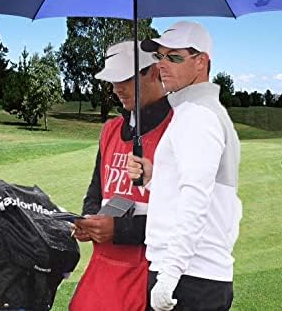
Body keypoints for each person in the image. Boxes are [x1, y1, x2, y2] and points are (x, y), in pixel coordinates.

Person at [128, 21, 242, 311]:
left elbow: (195, 198)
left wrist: (169, 275)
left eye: (174, 57)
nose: (162, 65)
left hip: (188, 278)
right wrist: (153, 178)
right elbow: (202, 190)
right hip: (195, 276)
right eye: (160, 56)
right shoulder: (199, 112)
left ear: (201, 62)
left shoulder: (197, 116)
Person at [69, 40, 173, 311]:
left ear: (153, 72)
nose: (116, 88)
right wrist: (89, 221)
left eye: (125, 78)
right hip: (103, 268)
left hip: (149, 273)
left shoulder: (177, 129)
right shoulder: (110, 130)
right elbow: (96, 192)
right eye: (113, 80)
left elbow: (182, 218)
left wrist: (119, 230)